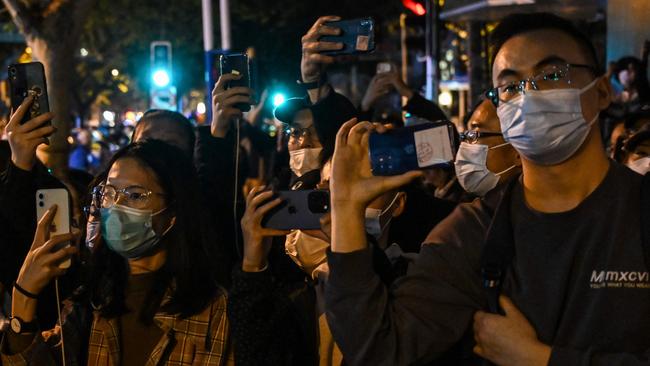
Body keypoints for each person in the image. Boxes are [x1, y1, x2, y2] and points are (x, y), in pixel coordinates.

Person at [323, 12, 650, 366]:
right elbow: (379, 349)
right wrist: (345, 210)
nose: (529, 95)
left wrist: (542, 360)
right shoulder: (473, 232)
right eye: (510, 87)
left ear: (602, 92)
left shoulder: (640, 209)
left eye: (551, 75)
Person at [1, 140, 234, 365]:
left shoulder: (212, 309)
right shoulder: (91, 300)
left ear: (173, 212)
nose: (116, 207)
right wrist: (24, 294)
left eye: (135, 195)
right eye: (109, 193)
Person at [455, 99, 521, 196]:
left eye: (474, 135)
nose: (464, 146)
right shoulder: (473, 208)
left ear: (518, 151)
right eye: (465, 136)